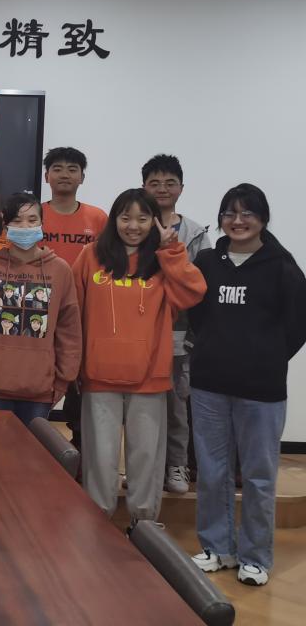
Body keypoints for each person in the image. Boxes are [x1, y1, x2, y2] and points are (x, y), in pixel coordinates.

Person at [188, 184, 306, 587]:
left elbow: (297, 325)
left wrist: (267, 356)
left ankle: (255, 557)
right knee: (211, 471)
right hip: (209, 384)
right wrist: (212, 347)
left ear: (263, 219)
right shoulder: (207, 261)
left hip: (261, 390)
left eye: (247, 213)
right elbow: (197, 315)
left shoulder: (282, 266)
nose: (238, 221)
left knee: (258, 476)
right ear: (221, 218)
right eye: (230, 213)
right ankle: (217, 547)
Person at [72, 189, 206, 523]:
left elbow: (194, 292)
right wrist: (73, 363)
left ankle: (143, 526)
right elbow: (71, 311)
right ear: (113, 220)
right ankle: (97, 524)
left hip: (149, 377)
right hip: (99, 375)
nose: (133, 226)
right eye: (125, 217)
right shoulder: (91, 256)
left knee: (146, 456)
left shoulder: (162, 261)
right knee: (100, 457)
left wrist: (172, 251)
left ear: (154, 222)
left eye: (143, 218)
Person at [0, 194, 81, 425]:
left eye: (32, 220)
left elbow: (69, 330)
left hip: (40, 387)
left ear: (42, 224)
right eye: (17, 221)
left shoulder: (60, 270)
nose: (25, 226)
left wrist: (63, 379)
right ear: (6, 226)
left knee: (32, 448)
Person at [142, 154, 212, 495]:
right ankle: (147, 469)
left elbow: (200, 286)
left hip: (178, 334)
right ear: (143, 187)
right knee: (141, 407)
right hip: (139, 331)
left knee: (176, 407)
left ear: (181, 188)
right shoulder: (135, 225)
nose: (162, 189)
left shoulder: (195, 233)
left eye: (170, 183)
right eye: (154, 183)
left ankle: (177, 465)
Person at [41, 146, 108, 451]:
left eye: (72, 169)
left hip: (84, 316)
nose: (64, 174)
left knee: (81, 393)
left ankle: (81, 455)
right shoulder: (34, 214)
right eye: (57, 168)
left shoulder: (98, 218)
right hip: (41, 314)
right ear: (47, 176)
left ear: (82, 177)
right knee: (40, 386)